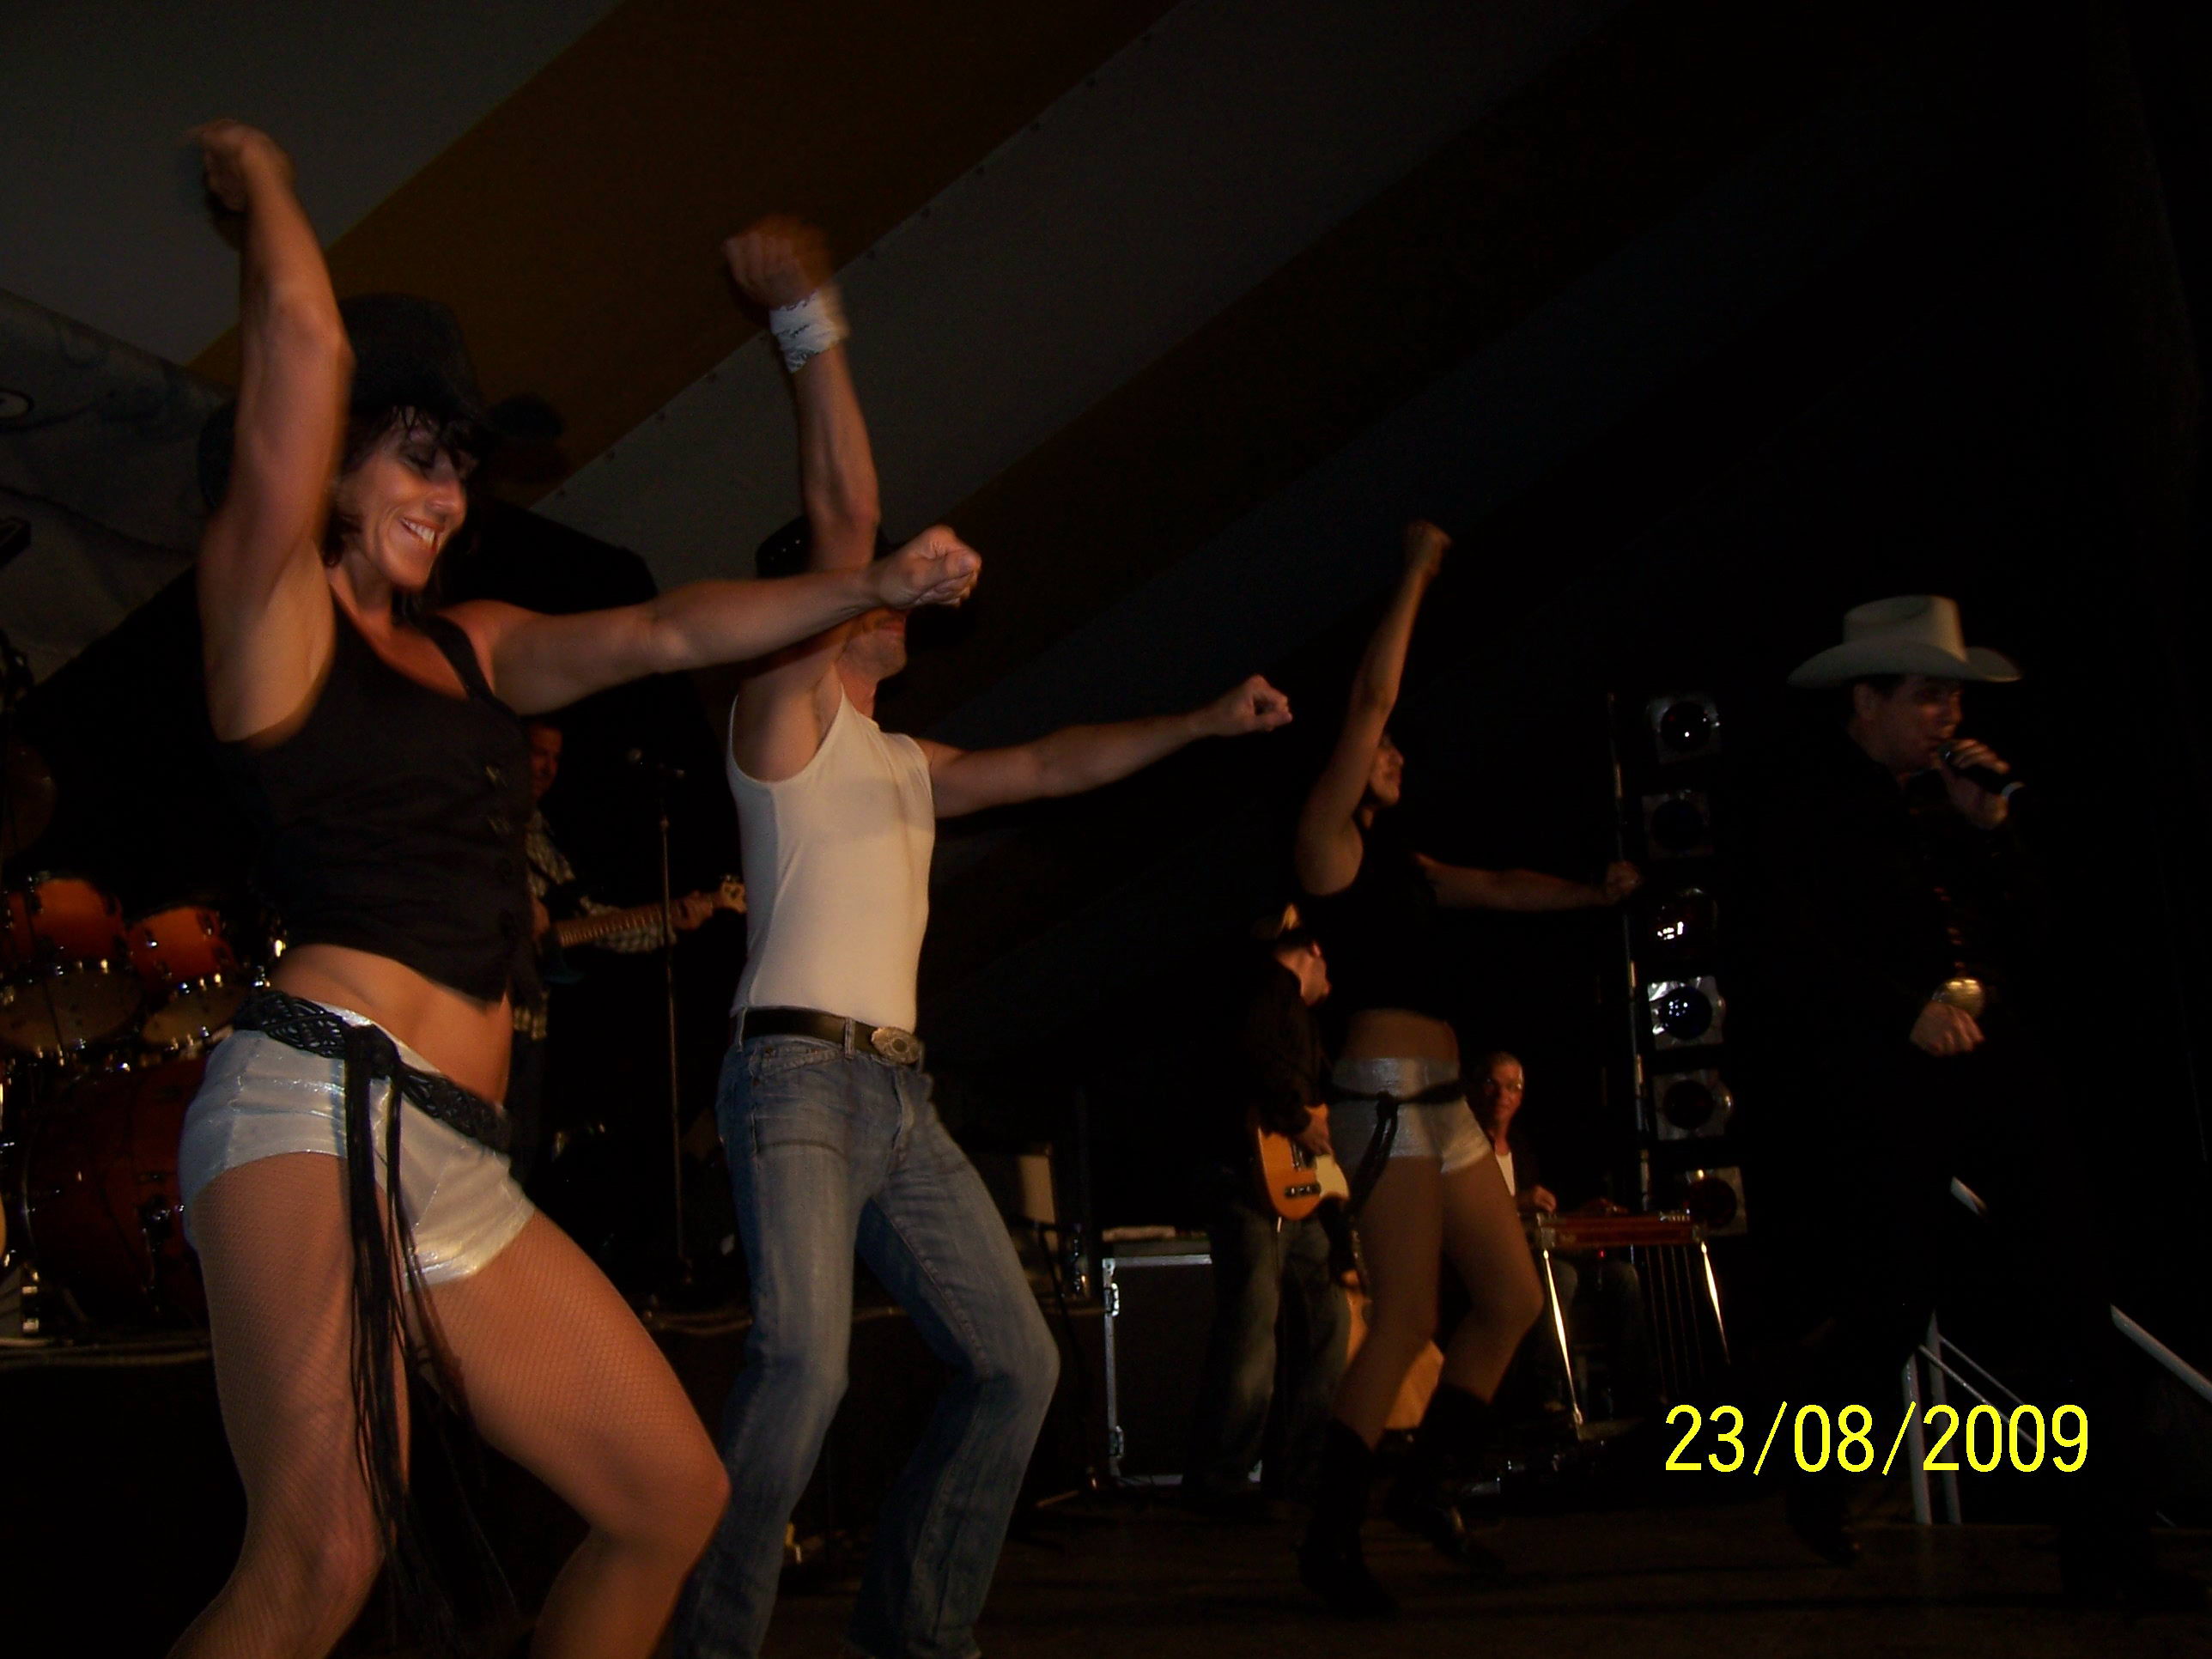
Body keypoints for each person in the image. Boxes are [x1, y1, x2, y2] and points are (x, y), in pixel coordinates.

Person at [170, 124, 980, 1659]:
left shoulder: (472, 641)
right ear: (333, 454)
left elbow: (667, 632)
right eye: (419, 456)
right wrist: (267, 184)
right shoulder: (268, 617)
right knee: (320, 1555)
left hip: (457, 1154)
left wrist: (868, 586)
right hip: (316, 1110)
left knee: (669, 1501)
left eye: (461, 469)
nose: (449, 494)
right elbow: (301, 348)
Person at [673, 217, 1294, 1659]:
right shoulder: (779, 715)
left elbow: (1059, 763)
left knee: (1018, 1363)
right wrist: (809, 331)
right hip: (795, 1080)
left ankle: (918, 1634)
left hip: (899, 1095)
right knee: (803, 1367)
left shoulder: (906, 760)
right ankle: (705, 1640)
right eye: (864, 580)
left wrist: (1202, 722)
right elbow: (840, 525)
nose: (893, 588)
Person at [1735, 594, 2197, 1609]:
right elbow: (1784, 950)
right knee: (1890, 1301)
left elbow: (2039, 936)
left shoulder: (1953, 804)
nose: (1946, 715)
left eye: (1952, 698)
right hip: (1883, 1078)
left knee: (2070, 1284)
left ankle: (2106, 1549)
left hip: (1995, 1064)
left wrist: (1990, 833)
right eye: (1926, 696)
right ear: (1866, 701)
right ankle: (1813, 1464)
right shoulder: (1808, 804)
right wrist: (1898, 1010)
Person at [1291, 520, 1639, 1616]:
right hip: (1384, 1102)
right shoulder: (1324, 845)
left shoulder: (1406, 863)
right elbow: (1369, 699)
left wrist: (1590, 896)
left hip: (1440, 1108)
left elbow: (1495, 887)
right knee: (1401, 1319)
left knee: (1510, 1296)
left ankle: (1427, 1488)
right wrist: (1412, 574)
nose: (1396, 756)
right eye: (1383, 753)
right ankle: (1327, 1540)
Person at [1181, 903, 1349, 1518]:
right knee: (1253, 1325)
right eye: (1332, 969)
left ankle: (1300, 1470)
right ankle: (1220, 1479)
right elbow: (1248, 1054)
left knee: (1328, 1316)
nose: (1333, 986)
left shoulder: (1296, 1014)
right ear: (1315, 951)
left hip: (1293, 1189)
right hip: (1245, 1181)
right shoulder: (1262, 988)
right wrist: (1297, 1117)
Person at [507, 716, 724, 1182]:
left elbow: (591, 925)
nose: (547, 768)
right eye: (538, 754)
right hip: (484, 1012)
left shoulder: (542, 839)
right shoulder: (481, 822)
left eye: (555, 758)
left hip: (532, 1021)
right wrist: (517, 905)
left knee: (516, 1154)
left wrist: (670, 920)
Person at [1468, 1052, 1650, 1424]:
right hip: (1488, 1267)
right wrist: (1518, 1201)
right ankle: (1550, 1399)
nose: (1502, 1095)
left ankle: (1636, 1394)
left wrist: (1580, 1218)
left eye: (1512, 1087)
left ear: (1521, 1096)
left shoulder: (1521, 1148)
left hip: (1534, 1255)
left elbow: (1539, 1222)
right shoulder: (1462, 1147)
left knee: (1622, 1277)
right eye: (1492, 1084)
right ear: (1475, 1089)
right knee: (1559, 1277)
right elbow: (1462, 1210)